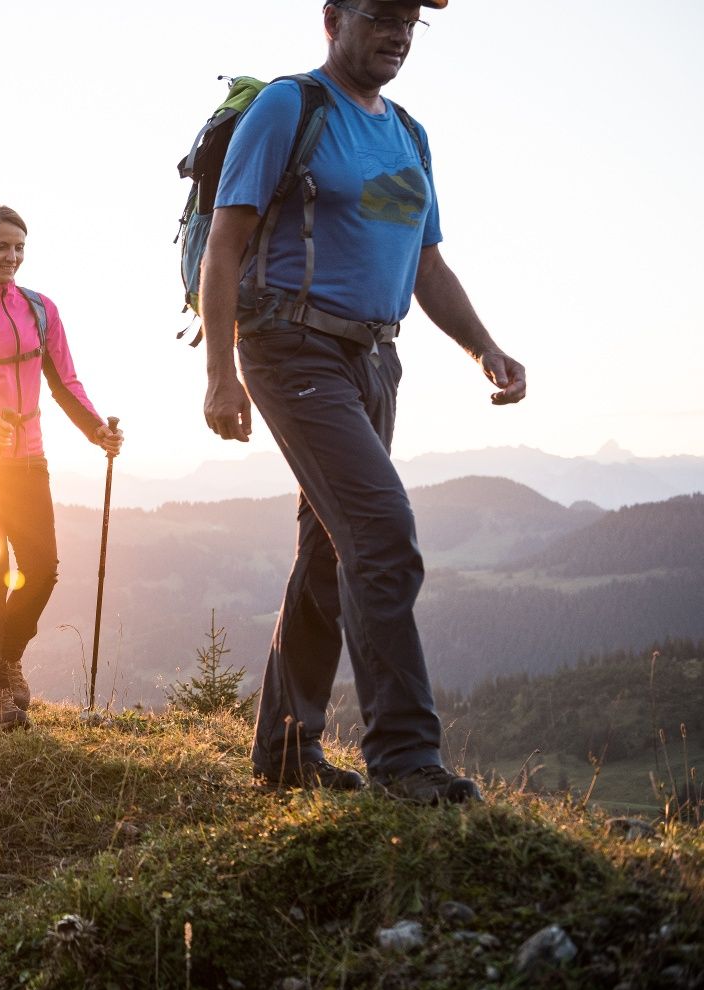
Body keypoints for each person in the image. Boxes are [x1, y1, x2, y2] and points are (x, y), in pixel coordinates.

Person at [200, 1, 526, 803]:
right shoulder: (291, 107)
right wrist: (219, 370)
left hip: (376, 358)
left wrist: (485, 346)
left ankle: (283, 754)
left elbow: (425, 264)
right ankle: (406, 762)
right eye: (382, 14)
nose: (398, 33)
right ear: (333, 18)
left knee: (331, 550)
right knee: (382, 532)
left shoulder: (407, 134)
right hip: (290, 345)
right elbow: (226, 241)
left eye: (411, 21)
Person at [0, 204, 124, 732]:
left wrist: (96, 430)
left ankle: (7, 655)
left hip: (26, 459)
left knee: (42, 570)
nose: (11, 256)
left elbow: (65, 381)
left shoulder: (40, 309)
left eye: (18, 247)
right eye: (0, 246)